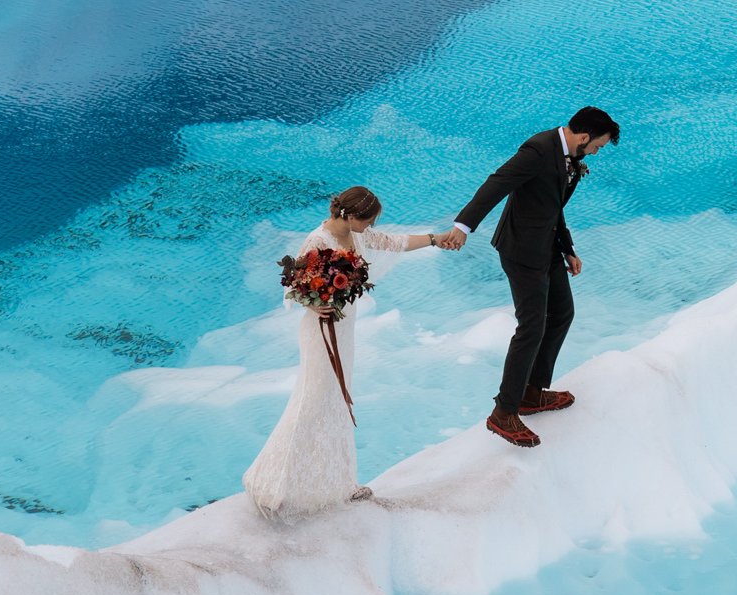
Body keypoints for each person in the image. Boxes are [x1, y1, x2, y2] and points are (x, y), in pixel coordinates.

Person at [243, 186, 464, 519]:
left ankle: (341, 482)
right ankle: (272, 484)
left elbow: (397, 243)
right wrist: (313, 303)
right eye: (369, 221)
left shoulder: (357, 235)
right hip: (321, 331)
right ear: (350, 216)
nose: (371, 227)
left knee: (336, 402)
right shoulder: (317, 241)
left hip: (344, 327)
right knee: (311, 402)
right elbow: (292, 287)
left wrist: (436, 238)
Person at [456, 107, 620, 447]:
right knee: (531, 326)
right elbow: (496, 184)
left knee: (562, 313)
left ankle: (532, 392)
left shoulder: (567, 156)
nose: (596, 153)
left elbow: (552, 206)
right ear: (585, 136)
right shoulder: (537, 150)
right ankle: (504, 412)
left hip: (547, 247)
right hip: (520, 250)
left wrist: (568, 248)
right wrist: (462, 227)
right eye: (598, 147)